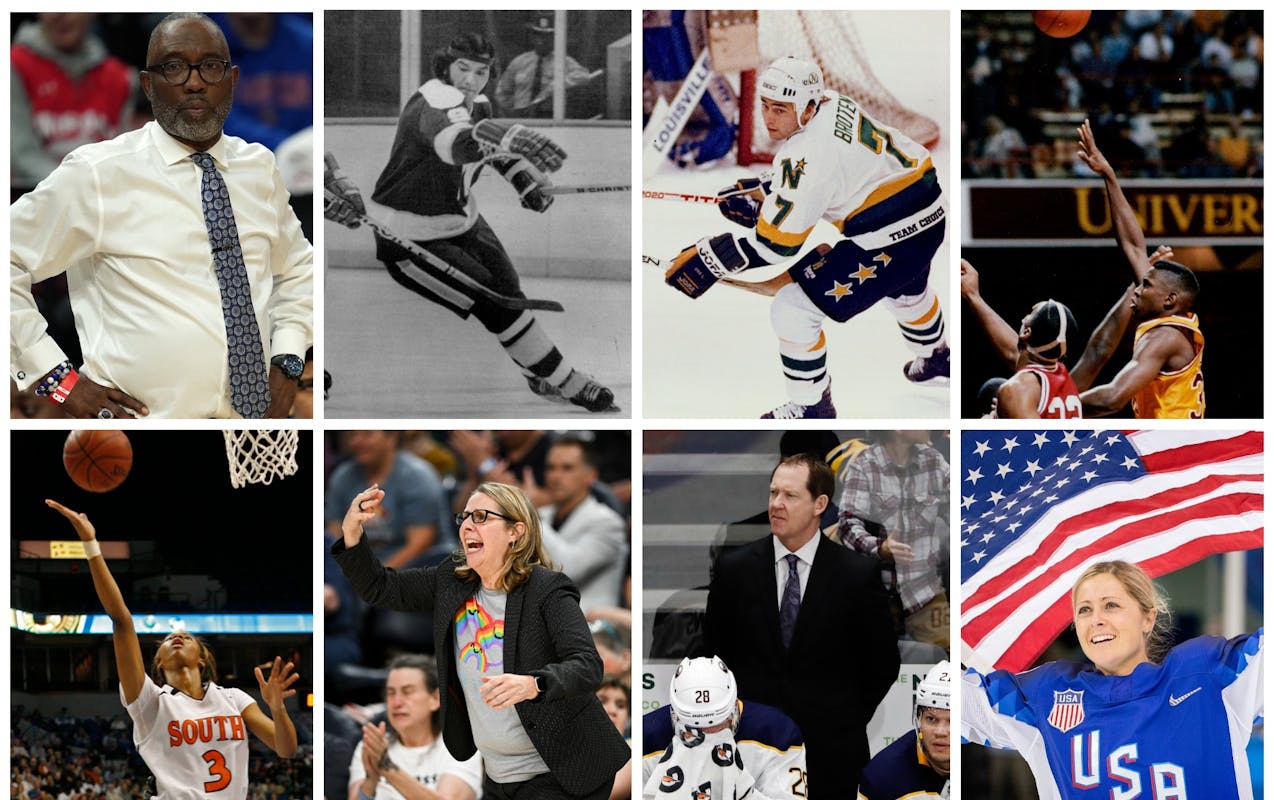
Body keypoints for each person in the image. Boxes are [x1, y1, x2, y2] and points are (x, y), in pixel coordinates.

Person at [11, 12, 313, 419]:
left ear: (233, 80)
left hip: (251, 431)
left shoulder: (259, 167)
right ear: (148, 85)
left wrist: (290, 357)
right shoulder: (96, 173)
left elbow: (298, 270)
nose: (194, 81)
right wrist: (58, 381)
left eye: (210, 66)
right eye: (174, 67)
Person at [323, 33, 616, 413]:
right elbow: (457, 143)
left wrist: (520, 177)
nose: (470, 79)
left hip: (464, 223)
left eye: (481, 72)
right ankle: (565, 380)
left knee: (510, 292)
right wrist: (501, 137)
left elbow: (485, 148)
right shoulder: (432, 100)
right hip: (411, 236)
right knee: (499, 308)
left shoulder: (477, 103)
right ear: (445, 67)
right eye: (463, 68)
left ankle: (538, 371)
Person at [663, 57, 948, 418]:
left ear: (809, 106)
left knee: (792, 311)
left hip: (890, 239)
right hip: (929, 212)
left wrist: (710, 260)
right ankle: (937, 356)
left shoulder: (807, 158)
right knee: (907, 292)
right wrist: (770, 190)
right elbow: (832, 169)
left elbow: (776, 246)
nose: (768, 118)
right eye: (765, 106)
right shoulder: (833, 102)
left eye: (780, 109)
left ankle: (812, 406)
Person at [333, 481, 629, 799]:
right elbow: (381, 587)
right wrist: (352, 533)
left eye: (482, 517)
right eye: (466, 517)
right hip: (497, 775)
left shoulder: (547, 590)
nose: (468, 526)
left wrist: (533, 684)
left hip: (557, 769)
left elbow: (587, 665)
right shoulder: (453, 580)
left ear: (516, 531)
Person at [46, 498, 299, 797]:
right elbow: (121, 619)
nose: (176, 637)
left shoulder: (233, 698)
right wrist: (91, 546)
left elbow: (286, 749)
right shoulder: (150, 702)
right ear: (159, 663)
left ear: (203, 659)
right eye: (167, 639)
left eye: (187, 637)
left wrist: (279, 709)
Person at [963, 560, 1263, 799]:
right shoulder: (1047, 694)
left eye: (1111, 605)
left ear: (1148, 618)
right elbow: (955, 701)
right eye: (1084, 610)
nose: (1096, 620)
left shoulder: (1209, 674)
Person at [705, 454, 899, 798]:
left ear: (819, 504)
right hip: (748, 755)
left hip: (831, 756)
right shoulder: (735, 569)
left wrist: (841, 720)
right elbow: (714, 656)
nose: (776, 504)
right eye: (773, 493)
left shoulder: (856, 574)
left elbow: (882, 663)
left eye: (790, 496)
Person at [1074, 119, 1205, 418]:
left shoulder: (1166, 337)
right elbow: (1134, 246)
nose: (1137, 288)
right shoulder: (1168, 315)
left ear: (1169, 300)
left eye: (1145, 286)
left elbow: (1113, 397)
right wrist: (1108, 175)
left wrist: (1053, 410)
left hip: (1174, 446)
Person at [836, 431, 950, 650]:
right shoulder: (864, 466)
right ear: (898, 429)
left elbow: (959, 508)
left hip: (925, 591)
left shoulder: (933, 461)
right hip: (874, 595)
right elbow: (848, 523)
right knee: (874, 667)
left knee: (946, 662)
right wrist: (880, 548)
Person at [642, 656, 807, 800]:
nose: (706, 734)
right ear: (675, 716)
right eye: (694, 727)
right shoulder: (646, 737)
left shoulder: (777, 734)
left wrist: (742, 790)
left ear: (734, 710)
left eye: (715, 724)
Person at [11, 12, 135, 188]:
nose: (59, 14)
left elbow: (125, 159)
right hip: (31, 199)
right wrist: (79, 188)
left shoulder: (121, 77)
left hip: (103, 199)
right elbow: (21, 156)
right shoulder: (13, 65)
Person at [347, 654, 483, 800]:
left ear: (435, 699)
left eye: (407, 692)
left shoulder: (460, 747)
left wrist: (387, 768)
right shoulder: (373, 745)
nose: (396, 702)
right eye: (390, 693)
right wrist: (370, 781)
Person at [539, 435, 628, 613]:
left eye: (567, 468)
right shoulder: (540, 516)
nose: (556, 477)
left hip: (593, 630)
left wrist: (529, 517)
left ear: (591, 475)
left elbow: (565, 571)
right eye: (551, 468)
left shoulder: (608, 523)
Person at [857, 661, 951, 800]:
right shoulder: (884, 776)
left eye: (952, 721)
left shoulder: (976, 763)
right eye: (931, 719)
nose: (940, 732)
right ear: (919, 719)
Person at [494, 16, 596, 118]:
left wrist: (553, 87)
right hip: (521, 115)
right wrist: (513, 110)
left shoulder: (563, 61)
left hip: (549, 117)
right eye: (538, 35)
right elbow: (502, 91)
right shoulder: (519, 61)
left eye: (547, 36)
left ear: (554, 38)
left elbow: (583, 76)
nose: (542, 40)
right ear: (532, 37)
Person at [597, 676, 632, 800]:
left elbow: (609, 794)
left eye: (621, 705)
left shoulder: (632, 748)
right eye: (602, 701)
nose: (613, 710)